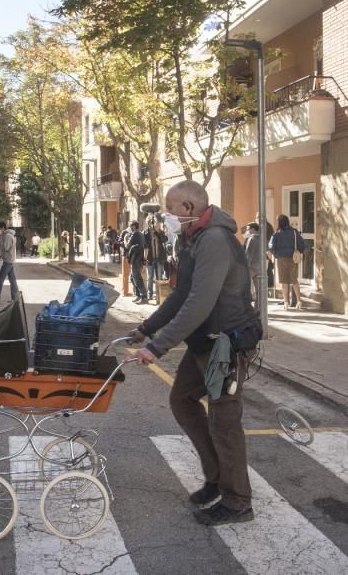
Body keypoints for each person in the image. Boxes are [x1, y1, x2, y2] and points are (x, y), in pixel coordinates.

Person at [127, 180, 260, 526]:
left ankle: (237, 502)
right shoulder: (193, 239)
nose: (166, 216)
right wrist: (146, 328)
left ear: (188, 208)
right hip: (205, 342)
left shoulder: (214, 240)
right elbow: (180, 295)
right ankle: (216, 477)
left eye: (170, 209)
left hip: (224, 346)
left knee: (224, 421)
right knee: (182, 400)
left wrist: (157, 347)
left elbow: (199, 302)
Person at [268, 214, 306, 310]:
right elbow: (302, 244)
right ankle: (299, 301)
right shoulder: (294, 232)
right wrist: (300, 252)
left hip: (281, 259)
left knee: (284, 281)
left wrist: (276, 254)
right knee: (294, 280)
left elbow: (271, 247)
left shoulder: (277, 234)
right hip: (293, 258)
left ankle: (286, 303)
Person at [0, 221, 19, 304]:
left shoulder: (8, 236)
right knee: (12, 280)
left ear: (3, 228)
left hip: (8, 261)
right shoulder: (5, 235)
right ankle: (15, 298)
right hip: (8, 260)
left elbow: (5, 248)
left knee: (0, 279)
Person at [144, 217, 167, 304]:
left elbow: (165, 239)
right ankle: (150, 294)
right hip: (150, 258)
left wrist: (157, 232)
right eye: (150, 222)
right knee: (150, 277)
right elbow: (144, 246)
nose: (152, 224)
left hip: (159, 258)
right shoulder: (145, 233)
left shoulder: (159, 232)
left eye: (153, 222)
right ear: (147, 223)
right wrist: (144, 258)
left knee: (159, 277)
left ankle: (159, 295)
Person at [125, 220, 147, 304]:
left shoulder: (135, 234)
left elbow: (127, 245)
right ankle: (138, 295)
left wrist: (124, 238)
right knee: (133, 277)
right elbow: (145, 247)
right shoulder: (141, 234)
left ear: (134, 226)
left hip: (136, 260)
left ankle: (144, 296)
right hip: (139, 259)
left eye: (130, 225)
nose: (130, 227)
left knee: (137, 278)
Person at [243, 222, 263, 308]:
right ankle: (258, 307)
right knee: (259, 290)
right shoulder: (262, 239)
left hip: (251, 267)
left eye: (248, 229)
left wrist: (245, 266)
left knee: (244, 286)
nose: (247, 231)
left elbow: (248, 254)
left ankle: (246, 306)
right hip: (259, 266)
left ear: (253, 229)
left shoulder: (251, 239)